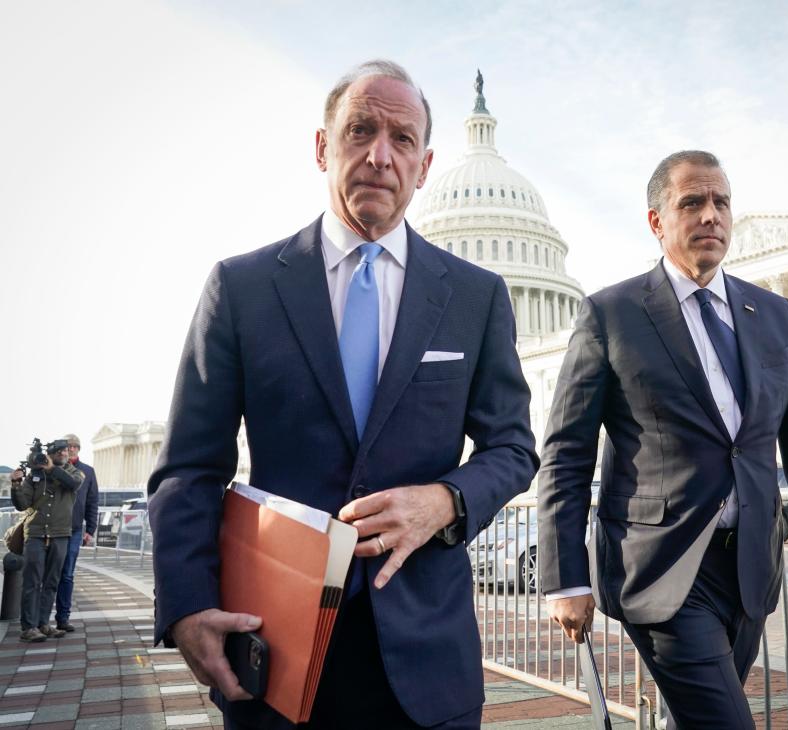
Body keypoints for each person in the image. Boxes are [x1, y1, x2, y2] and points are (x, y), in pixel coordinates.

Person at [148, 59, 537, 729]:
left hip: (425, 658)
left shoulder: (476, 298)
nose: (380, 156)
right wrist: (185, 604)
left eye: (402, 139)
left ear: (424, 163)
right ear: (323, 147)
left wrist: (444, 500)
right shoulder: (241, 290)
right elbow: (188, 467)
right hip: (273, 650)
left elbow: (513, 448)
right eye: (360, 131)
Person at [537, 150, 788, 729]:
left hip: (752, 565)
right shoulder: (611, 313)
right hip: (661, 570)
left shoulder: (775, 315)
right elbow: (566, 455)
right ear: (657, 221)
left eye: (721, 202)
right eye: (692, 203)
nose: (711, 215)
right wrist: (565, 577)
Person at [10, 440, 83, 642]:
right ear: (49, 454)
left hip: (60, 534)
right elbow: (22, 504)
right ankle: (29, 627)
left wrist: (51, 469)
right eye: (59, 452)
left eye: (66, 451)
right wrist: (16, 484)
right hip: (35, 534)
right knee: (32, 581)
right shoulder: (35, 475)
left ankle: (43, 623)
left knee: (52, 581)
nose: (64, 454)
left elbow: (73, 484)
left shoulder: (74, 473)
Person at [54, 433, 99, 632]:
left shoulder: (88, 472)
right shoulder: (53, 469)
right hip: (52, 529)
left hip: (74, 530)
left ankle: (63, 618)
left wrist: (90, 529)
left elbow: (92, 502)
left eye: (75, 446)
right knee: (49, 575)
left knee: (67, 575)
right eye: (68, 446)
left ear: (79, 449)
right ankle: (40, 620)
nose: (71, 449)